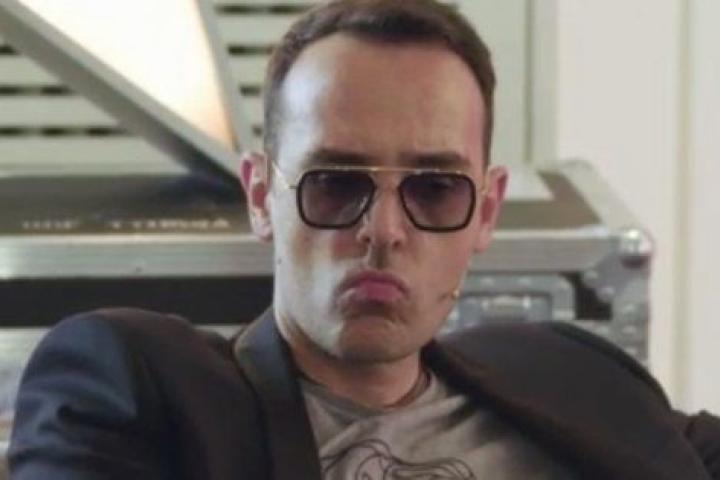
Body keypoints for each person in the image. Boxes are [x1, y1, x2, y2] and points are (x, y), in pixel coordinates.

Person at [7, 0, 720, 479]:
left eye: (434, 190)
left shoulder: (566, 370)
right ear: (261, 196)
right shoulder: (139, 386)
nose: (382, 231)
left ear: (486, 211)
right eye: (335, 184)